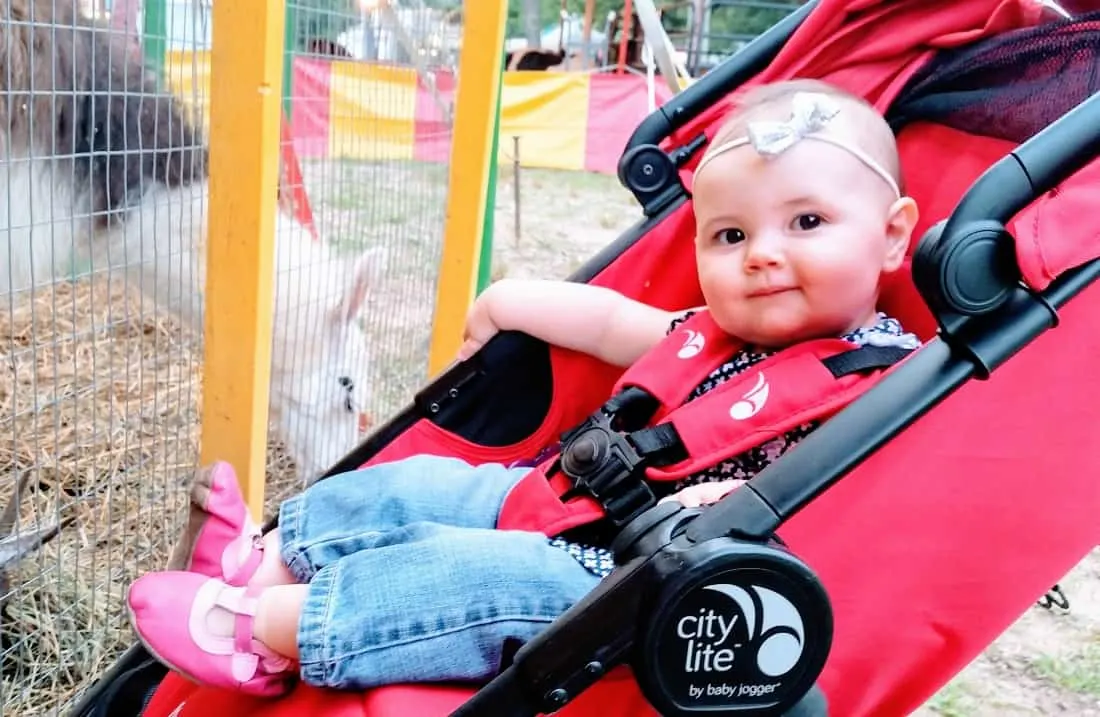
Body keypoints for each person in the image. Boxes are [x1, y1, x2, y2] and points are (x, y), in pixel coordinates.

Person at [126, 79, 923, 697]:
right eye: (730, 234)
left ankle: (266, 634)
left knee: (467, 573)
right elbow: (612, 322)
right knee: (413, 487)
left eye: (807, 223)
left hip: (635, 584)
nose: (761, 255)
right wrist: (507, 299)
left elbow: (850, 504)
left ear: (893, 235)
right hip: (566, 502)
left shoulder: (889, 382)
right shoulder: (715, 331)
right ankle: (255, 563)